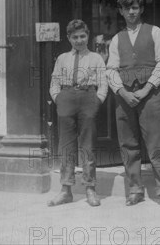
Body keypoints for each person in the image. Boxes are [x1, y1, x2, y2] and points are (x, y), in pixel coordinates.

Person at [106, 0, 160, 209]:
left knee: (157, 143)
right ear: (121, 11)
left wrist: (146, 90)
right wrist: (123, 92)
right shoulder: (116, 39)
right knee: (128, 144)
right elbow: (110, 70)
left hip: (150, 95)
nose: (131, 12)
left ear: (141, 9)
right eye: (127, 8)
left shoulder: (155, 32)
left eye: (135, 7)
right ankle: (135, 190)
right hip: (125, 97)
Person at [48, 19, 108, 207]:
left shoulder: (96, 58)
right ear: (69, 38)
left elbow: (103, 83)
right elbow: (54, 83)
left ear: (88, 36)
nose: (79, 40)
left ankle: (90, 188)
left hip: (88, 98)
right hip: (66, 98)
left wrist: (97, 101)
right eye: (75, 37)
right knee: (66, 145)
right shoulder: (62, 58)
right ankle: (66, 190)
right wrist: (59, 99)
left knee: (87, 145)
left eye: (82, 36)